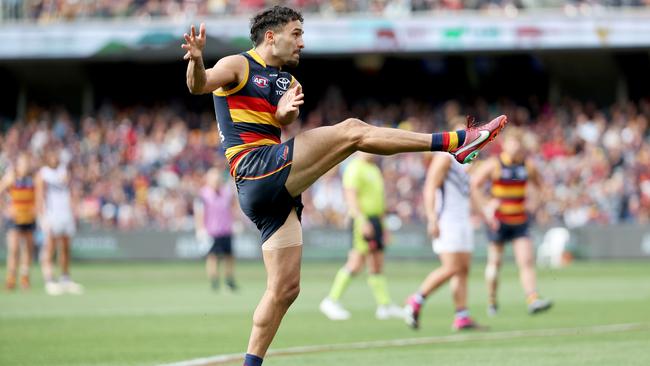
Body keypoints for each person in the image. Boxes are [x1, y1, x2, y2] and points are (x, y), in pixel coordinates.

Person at [183, 6, 507, 365]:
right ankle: (455, 141)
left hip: (270, 185)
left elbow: (282, 118)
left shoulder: (288, 82)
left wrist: (287, 112)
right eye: (296, 34)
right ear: (270, 37)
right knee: (353, 130)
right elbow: (199, 85)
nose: (302, 43)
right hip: (255, 167)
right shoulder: (238, 65)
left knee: (285, 290)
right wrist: (196, 60)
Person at [404, 121, 493, 330]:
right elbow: (430, 189)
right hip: (448, 220)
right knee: (451, 268)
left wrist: (485, 213)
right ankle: (416, 299)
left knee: (462, 269)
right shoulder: (444, 158)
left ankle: (462, 316)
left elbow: (468, 192)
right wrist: (432, 219)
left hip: (462, 220)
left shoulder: (464, 161)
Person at [471, 127, 552, 316]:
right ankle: (491, 300)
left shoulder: (528, 165)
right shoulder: (494, 164)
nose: (516, 147)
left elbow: (542, 187)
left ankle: (533, 299)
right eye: (512, 143)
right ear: (505, 145)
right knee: (495, 264)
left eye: (519, 143)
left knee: (526, 261)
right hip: (498, 222)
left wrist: (534, 204)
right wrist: (486, 207)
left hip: (520, 220)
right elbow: (474, 186)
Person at [319, 153, 404, 321]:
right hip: (362, 220)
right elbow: (351, 198)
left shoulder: (374, 168)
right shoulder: (354, 168)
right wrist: (362, 221)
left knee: (377, 262)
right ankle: (331, 301)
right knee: (356, 262)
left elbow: (379, 200)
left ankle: (384, 305)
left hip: (376, 219)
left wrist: (383, 226)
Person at [35, 148, 83, 296]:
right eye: (52, 155)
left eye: (56, 155)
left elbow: (71, 192)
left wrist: (74, 210)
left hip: (65, 215)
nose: (54, 158)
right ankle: (49, 280)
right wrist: (42, 217)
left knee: (65, 247)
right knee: (50, 248)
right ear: (47, 157)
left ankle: (65, 278)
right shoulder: (43, 174)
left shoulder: (64, 171)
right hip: (52, 215)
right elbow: (39, 196)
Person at [195, 166, 238, 291]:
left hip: (226, 229)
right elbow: (200, 213)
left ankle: (229, 281)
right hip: (211, 231)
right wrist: (200, 229)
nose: (216, 181)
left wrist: (235, 222)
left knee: (229, 256)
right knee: (212, 257)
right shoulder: (203, 194)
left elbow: (232, 207)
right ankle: (214, 282)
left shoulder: (227, 192)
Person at [0, 153, 37, 291]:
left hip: (29, 217)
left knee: (27, 249)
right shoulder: (12, 177)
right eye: (23, 163)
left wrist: (36, 209)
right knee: (14, 249)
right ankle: (11, 279)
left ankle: (25, 279)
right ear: (18, 164)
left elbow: (37, 196)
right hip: (14, 218)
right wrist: (5, 209)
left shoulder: (32, 178)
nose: (26, 166)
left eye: (28, 163)